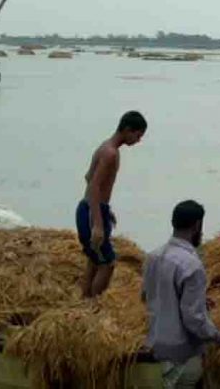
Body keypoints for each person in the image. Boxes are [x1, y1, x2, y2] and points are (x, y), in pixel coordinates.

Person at [143, 200, 220, 388]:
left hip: (154, 351)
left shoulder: (152, 258)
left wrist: (198, 299)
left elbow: (148, 297)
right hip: (182, 356)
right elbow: (194, 319)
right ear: (197, 225)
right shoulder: (191, 265)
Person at [78, 110, 148, 298]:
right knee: (107, 264)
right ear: (127, 130)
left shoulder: (104, 147)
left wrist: (105, 210)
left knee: (94, 260)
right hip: (92, 212)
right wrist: (98, 224)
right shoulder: (110, 153)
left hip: (90, 208)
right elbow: (94, 186)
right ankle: (93, 306)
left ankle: (84, 304)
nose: (138, 140)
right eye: (137, 135)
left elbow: (88, 177)